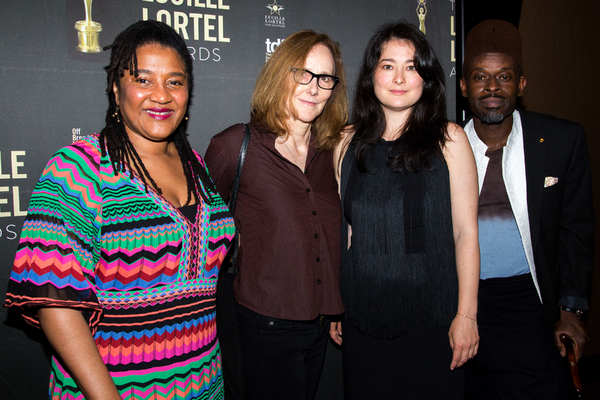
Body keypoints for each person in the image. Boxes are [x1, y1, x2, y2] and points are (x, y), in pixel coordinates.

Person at [4, 20, 235, 400]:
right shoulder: (77, 170)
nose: (160, 95)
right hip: (114, 389)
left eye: (174, 82)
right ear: (115, 87)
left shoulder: (195, 163)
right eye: (143, 79)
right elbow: (54, 304)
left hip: (203, 383)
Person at [330, 21, 480, 399]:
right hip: (361, 318)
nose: (399, 77)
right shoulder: (346, 142)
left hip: (433, 320)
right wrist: (336, 305)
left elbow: (465, 234)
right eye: (387, 65)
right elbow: (346, 234)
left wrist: (467, 315)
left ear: (426, 77)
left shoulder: (450, 139)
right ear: (371, 75)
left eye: (411, 66)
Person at [204, 30, 348, 400]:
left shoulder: (331, 151)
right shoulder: (235, 145)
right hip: (262, 326)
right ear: (280, 74)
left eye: (325, 78)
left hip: (319, 326)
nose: (313, 88)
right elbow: (198, 232)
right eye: (303, 73)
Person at [460, 19, 594, 399]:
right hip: (463, 306)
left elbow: (576, 230)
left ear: (520, 84)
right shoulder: (442, 147)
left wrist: (572, 309)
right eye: (480, 76)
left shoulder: (561, 141)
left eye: (504, 76)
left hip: (530, 307)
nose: (491, 88)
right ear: (464, 85)